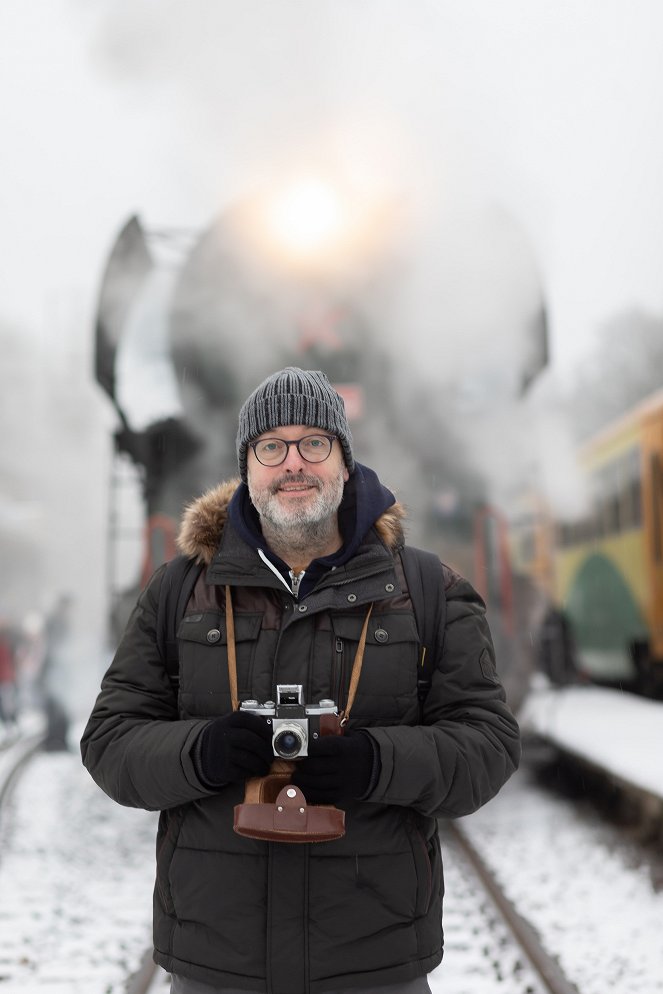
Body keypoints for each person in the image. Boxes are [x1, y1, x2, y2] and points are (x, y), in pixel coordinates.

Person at [81, 367, 520, 994]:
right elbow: (109, 741)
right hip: (217, 964)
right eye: (272, 447)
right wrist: (200, 751)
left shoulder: (429, 590)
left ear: (343, 460)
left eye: (315, 443)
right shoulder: (178, 591)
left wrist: (375, 762)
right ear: (247, 467)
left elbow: (490, 746)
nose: (294, 463)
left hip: (375, 963)